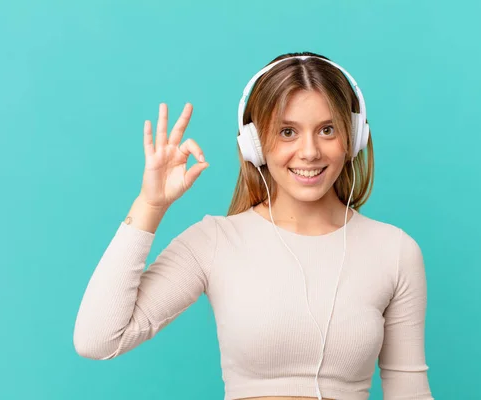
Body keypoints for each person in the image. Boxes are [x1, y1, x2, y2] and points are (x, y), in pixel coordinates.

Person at [73, 51, 434, 400]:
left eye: (327, 129)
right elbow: (99, 339)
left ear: (353, 138)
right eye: (287, 132)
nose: (309, 152)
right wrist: (150, 205)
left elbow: (410, 394)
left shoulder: (395, 251)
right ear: (255, 144)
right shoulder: (215, 241)